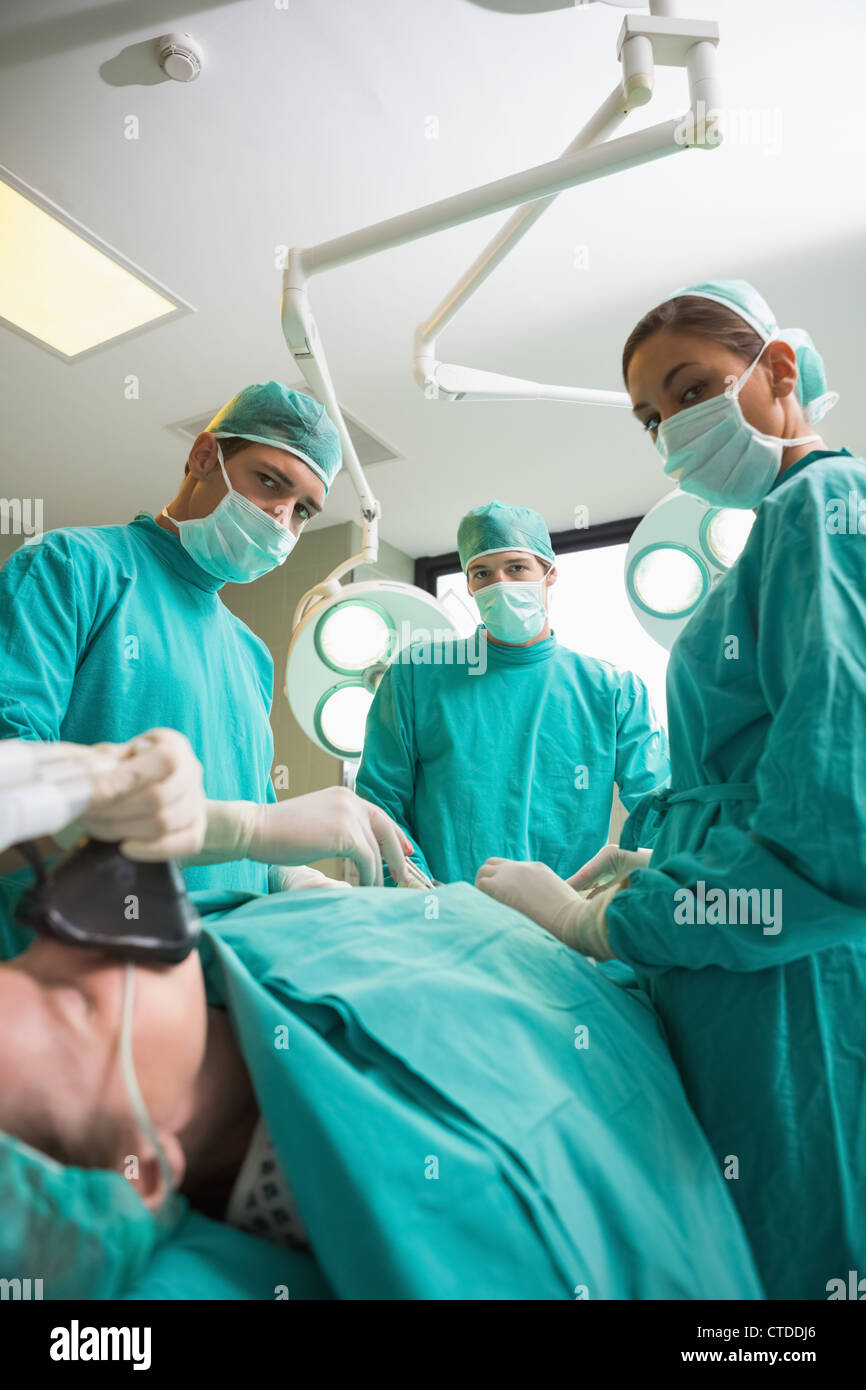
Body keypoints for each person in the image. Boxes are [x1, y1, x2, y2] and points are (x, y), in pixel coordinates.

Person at [0, 747, 763, 1300]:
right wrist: (591, 931)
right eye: (76, 1005)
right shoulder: (471, 1227)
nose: (67, 933)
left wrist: (245, 835)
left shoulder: (214, 954)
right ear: (143, 1166)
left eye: (22, 951)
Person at [476, 279, 866, 1299]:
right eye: (652, 418)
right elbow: (772, 779)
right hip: (743, 963)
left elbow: (835, 838)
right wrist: (662, 856)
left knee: (793, 1275)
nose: (670, 432)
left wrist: (609, 923)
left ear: (779, 370)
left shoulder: (820, 507)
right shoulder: (783, 528)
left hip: (783, 987)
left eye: (690, 390)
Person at [0, 382, 410, 891]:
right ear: (202, 457)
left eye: (304, 509)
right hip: (83, 954)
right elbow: (10, 797)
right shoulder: (73, 569)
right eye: (268, 481)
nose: (282, 517)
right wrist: (241, 830)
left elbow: (252, 830)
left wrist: (293, 878)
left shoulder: (251, 655)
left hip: (218, 957)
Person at [355, 500, 669, 885]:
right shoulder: (417, 676)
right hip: (443, 917)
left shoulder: (613, 692)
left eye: (516, 567)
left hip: (566, 924)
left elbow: (660, 812)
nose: (499, 583)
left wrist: (617, 899)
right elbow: (380, 804)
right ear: (468, 584)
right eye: (482, 573)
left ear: (549, 573)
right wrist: (419, 891)